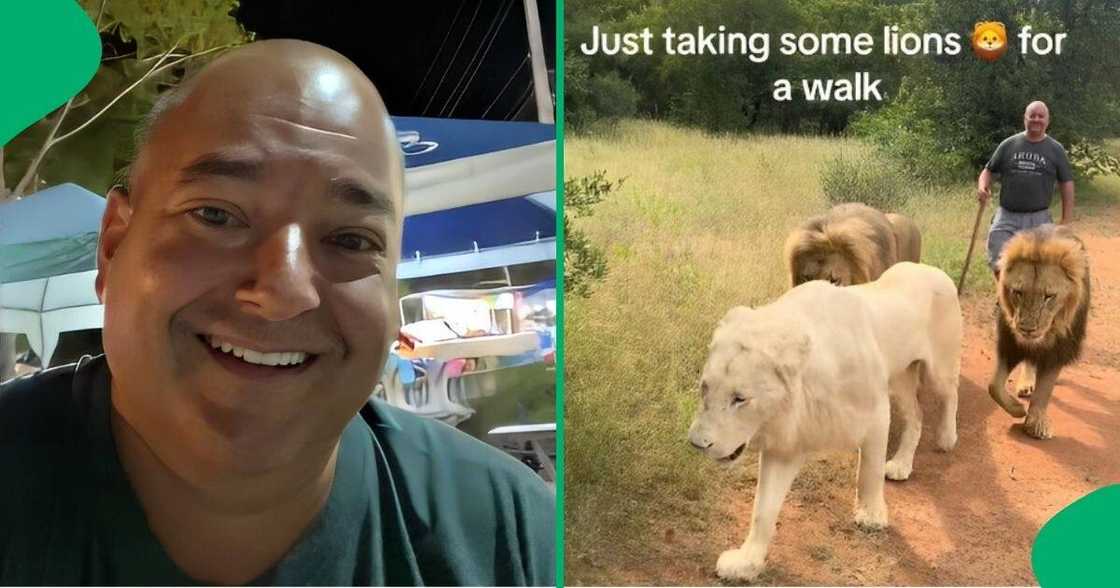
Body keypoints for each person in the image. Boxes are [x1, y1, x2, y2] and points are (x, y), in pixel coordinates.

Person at [0, 39, 555, 586]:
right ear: (114, 247)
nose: (284, 290)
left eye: (350, 239)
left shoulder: (514, 541)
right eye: (215, 214)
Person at [977, 100, 1075, 278]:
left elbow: (1066, 183)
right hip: (1007, 214)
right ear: (1025, 118)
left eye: (1041, 116)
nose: (1036, 119)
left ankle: (1029, 301)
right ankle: (1004, 296)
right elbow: (988, 170)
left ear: (1047, 120)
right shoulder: (1009, 144)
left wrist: (1066, 220)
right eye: (1032, 115)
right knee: (998, 258)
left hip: (1039, 218)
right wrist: (982, 186)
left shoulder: (1055, 149)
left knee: (1039, 265)